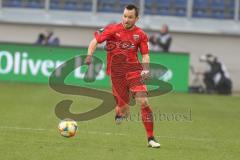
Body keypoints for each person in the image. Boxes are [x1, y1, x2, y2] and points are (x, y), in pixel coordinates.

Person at [84, 4, 160, 148]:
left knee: (143, 101)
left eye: (130, 17)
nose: (126, 19)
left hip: (134, 72)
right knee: (123, 108)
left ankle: (151, 138)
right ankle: (120, 111)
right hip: (117, 75)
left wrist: (145, 69)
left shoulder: (141, 35)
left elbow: (145, 55)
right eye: (125, 16)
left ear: (137, 18)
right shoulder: (112, 29)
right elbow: (95, 41)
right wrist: (89, 55)